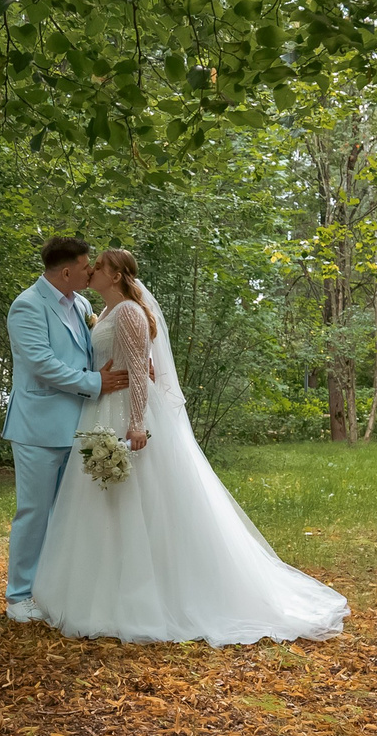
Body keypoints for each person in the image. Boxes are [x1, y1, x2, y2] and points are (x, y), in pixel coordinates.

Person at [28, 248, 346, 644]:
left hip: (126, 411)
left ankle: (146, 594)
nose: (91, 271)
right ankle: (100, 589)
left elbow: (142, 374)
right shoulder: (106, 313)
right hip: (101, 407)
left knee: (138, 499)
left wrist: (138, 423)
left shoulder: (128, 312)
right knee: (104, 500)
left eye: (99, 267)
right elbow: (118, 361)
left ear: (116, 276)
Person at [1, 236, 131, 621]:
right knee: (35, 511)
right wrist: (95, 383)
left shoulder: (83, 304)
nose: (91, 270)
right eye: (87, 264)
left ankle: (52, 588)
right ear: (67, 271)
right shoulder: (26, 306)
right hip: (38, 428)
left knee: (67, 514)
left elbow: (93, 351)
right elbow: (41, 363)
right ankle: (18, 596)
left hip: (81, 424)